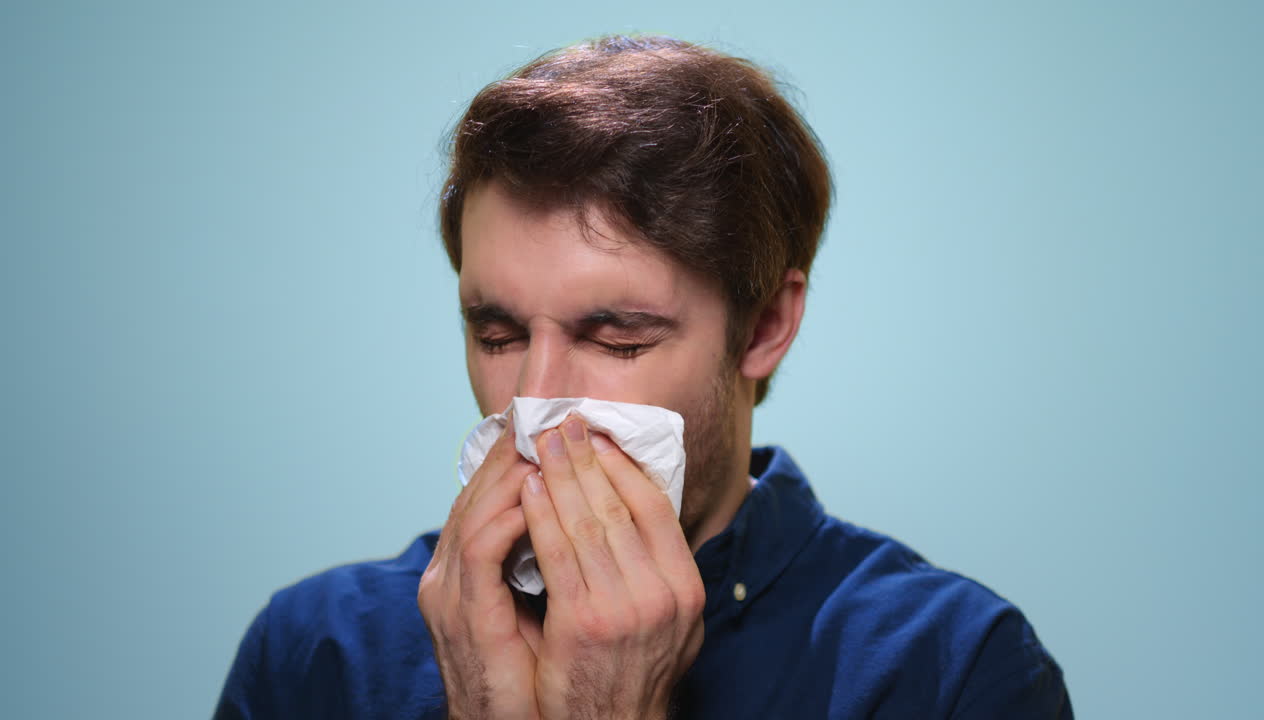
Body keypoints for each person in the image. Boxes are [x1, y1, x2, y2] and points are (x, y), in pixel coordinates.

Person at [215, 35, 1072, 719]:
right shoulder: (315, 653)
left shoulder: (949, 671)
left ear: (765, 327)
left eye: (617, 337)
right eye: (498, 331)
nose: (532, 406)